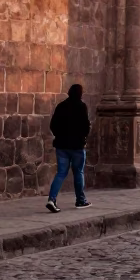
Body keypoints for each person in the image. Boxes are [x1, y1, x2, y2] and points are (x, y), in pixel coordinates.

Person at [47, 84, 92, 212]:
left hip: (61, 145)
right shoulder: (81, 106)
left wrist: (60, 136)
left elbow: (53, 125)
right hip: (77, 146)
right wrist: (83, 137)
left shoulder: (61, 106)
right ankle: (80, 200)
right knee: (78, 172)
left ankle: (52, 199)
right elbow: (85, 125)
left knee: (61, 172)